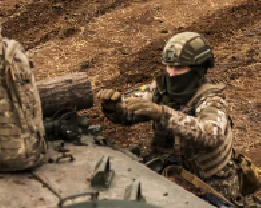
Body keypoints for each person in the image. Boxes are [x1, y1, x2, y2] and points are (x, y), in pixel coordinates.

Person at [97, 32, 245, 204]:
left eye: (179, 68)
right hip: (168, 171)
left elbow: (211, 134)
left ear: (197, 69)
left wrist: (163, 114)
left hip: (210, 182)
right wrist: (113, 106)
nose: (172, 74)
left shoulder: (211, 98)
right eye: (169, 66)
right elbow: (130, 111)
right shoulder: (160, 90)